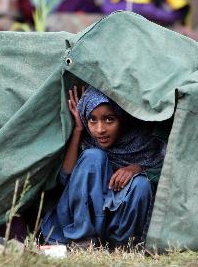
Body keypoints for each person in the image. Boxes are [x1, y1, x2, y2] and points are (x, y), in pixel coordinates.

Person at [41, 85, 167, 247]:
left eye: (109, 119)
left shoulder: (145, 141)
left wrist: (136, 169)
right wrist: (78, 130)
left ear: (122, 118)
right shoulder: (88, 141)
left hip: (116, 221)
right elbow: (66, 179)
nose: (100, 130)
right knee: (93, 156)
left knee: (141, 184)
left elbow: (163, 172)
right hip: (81, 220)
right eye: (92, 119)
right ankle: (82, 240)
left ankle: (121, 246)